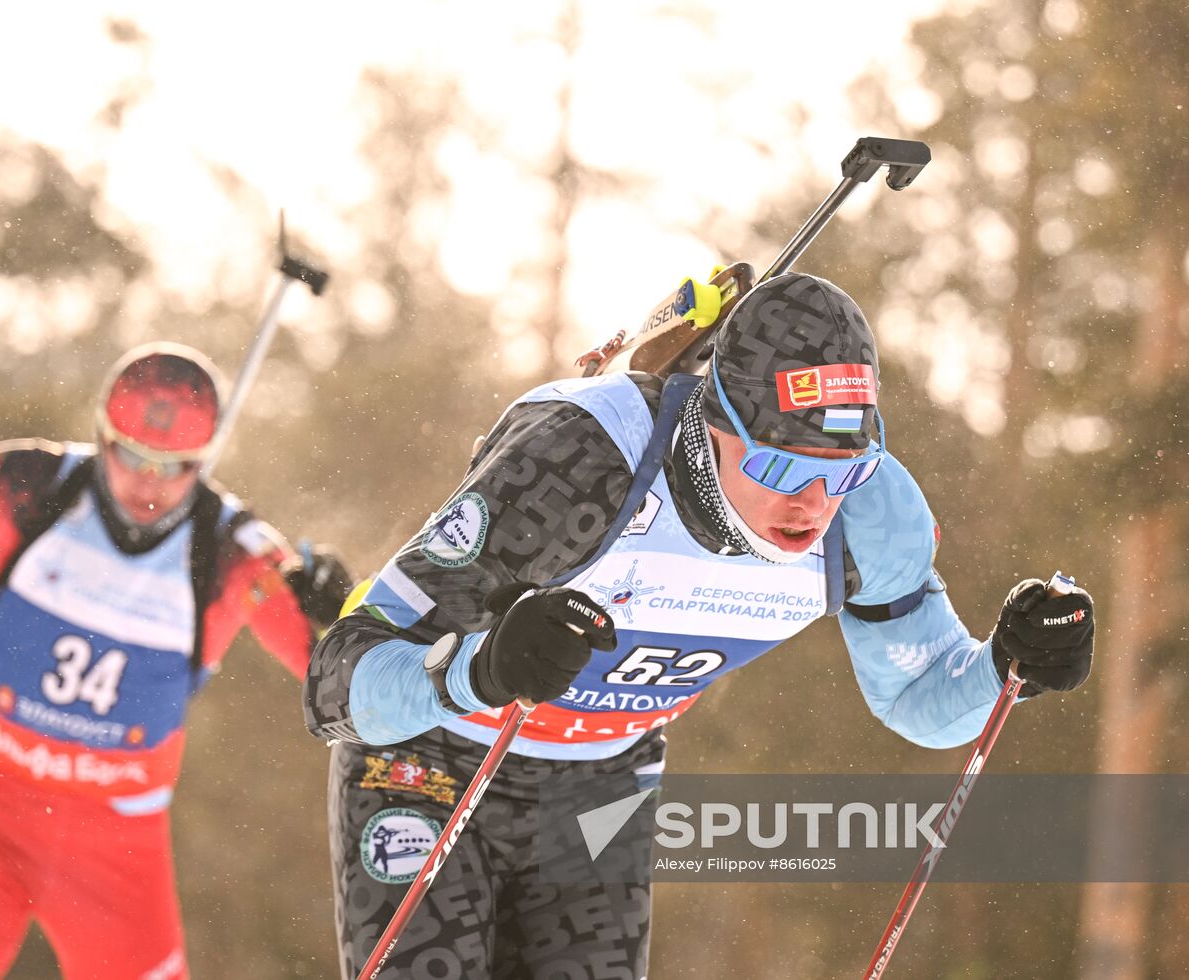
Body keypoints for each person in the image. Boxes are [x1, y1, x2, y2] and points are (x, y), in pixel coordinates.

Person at [303, 272, 1095, 979]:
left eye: (842, 472)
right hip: (431, 763)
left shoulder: (874, 514)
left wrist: (1008, 667)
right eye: (782, 466)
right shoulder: (584, 457)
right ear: (716, 424)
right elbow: (337, 681)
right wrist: (479, 670)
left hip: (599, 789)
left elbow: (920, 695)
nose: (812, 506)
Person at [0, 320, 351, 980]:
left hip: (117, 853)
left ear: (205, 459)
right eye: (131, 456)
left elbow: (339, 683)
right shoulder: (29, 487)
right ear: (101, 435)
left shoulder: (231, 551)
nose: (149, 483)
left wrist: (342, 606)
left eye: (175, 467)